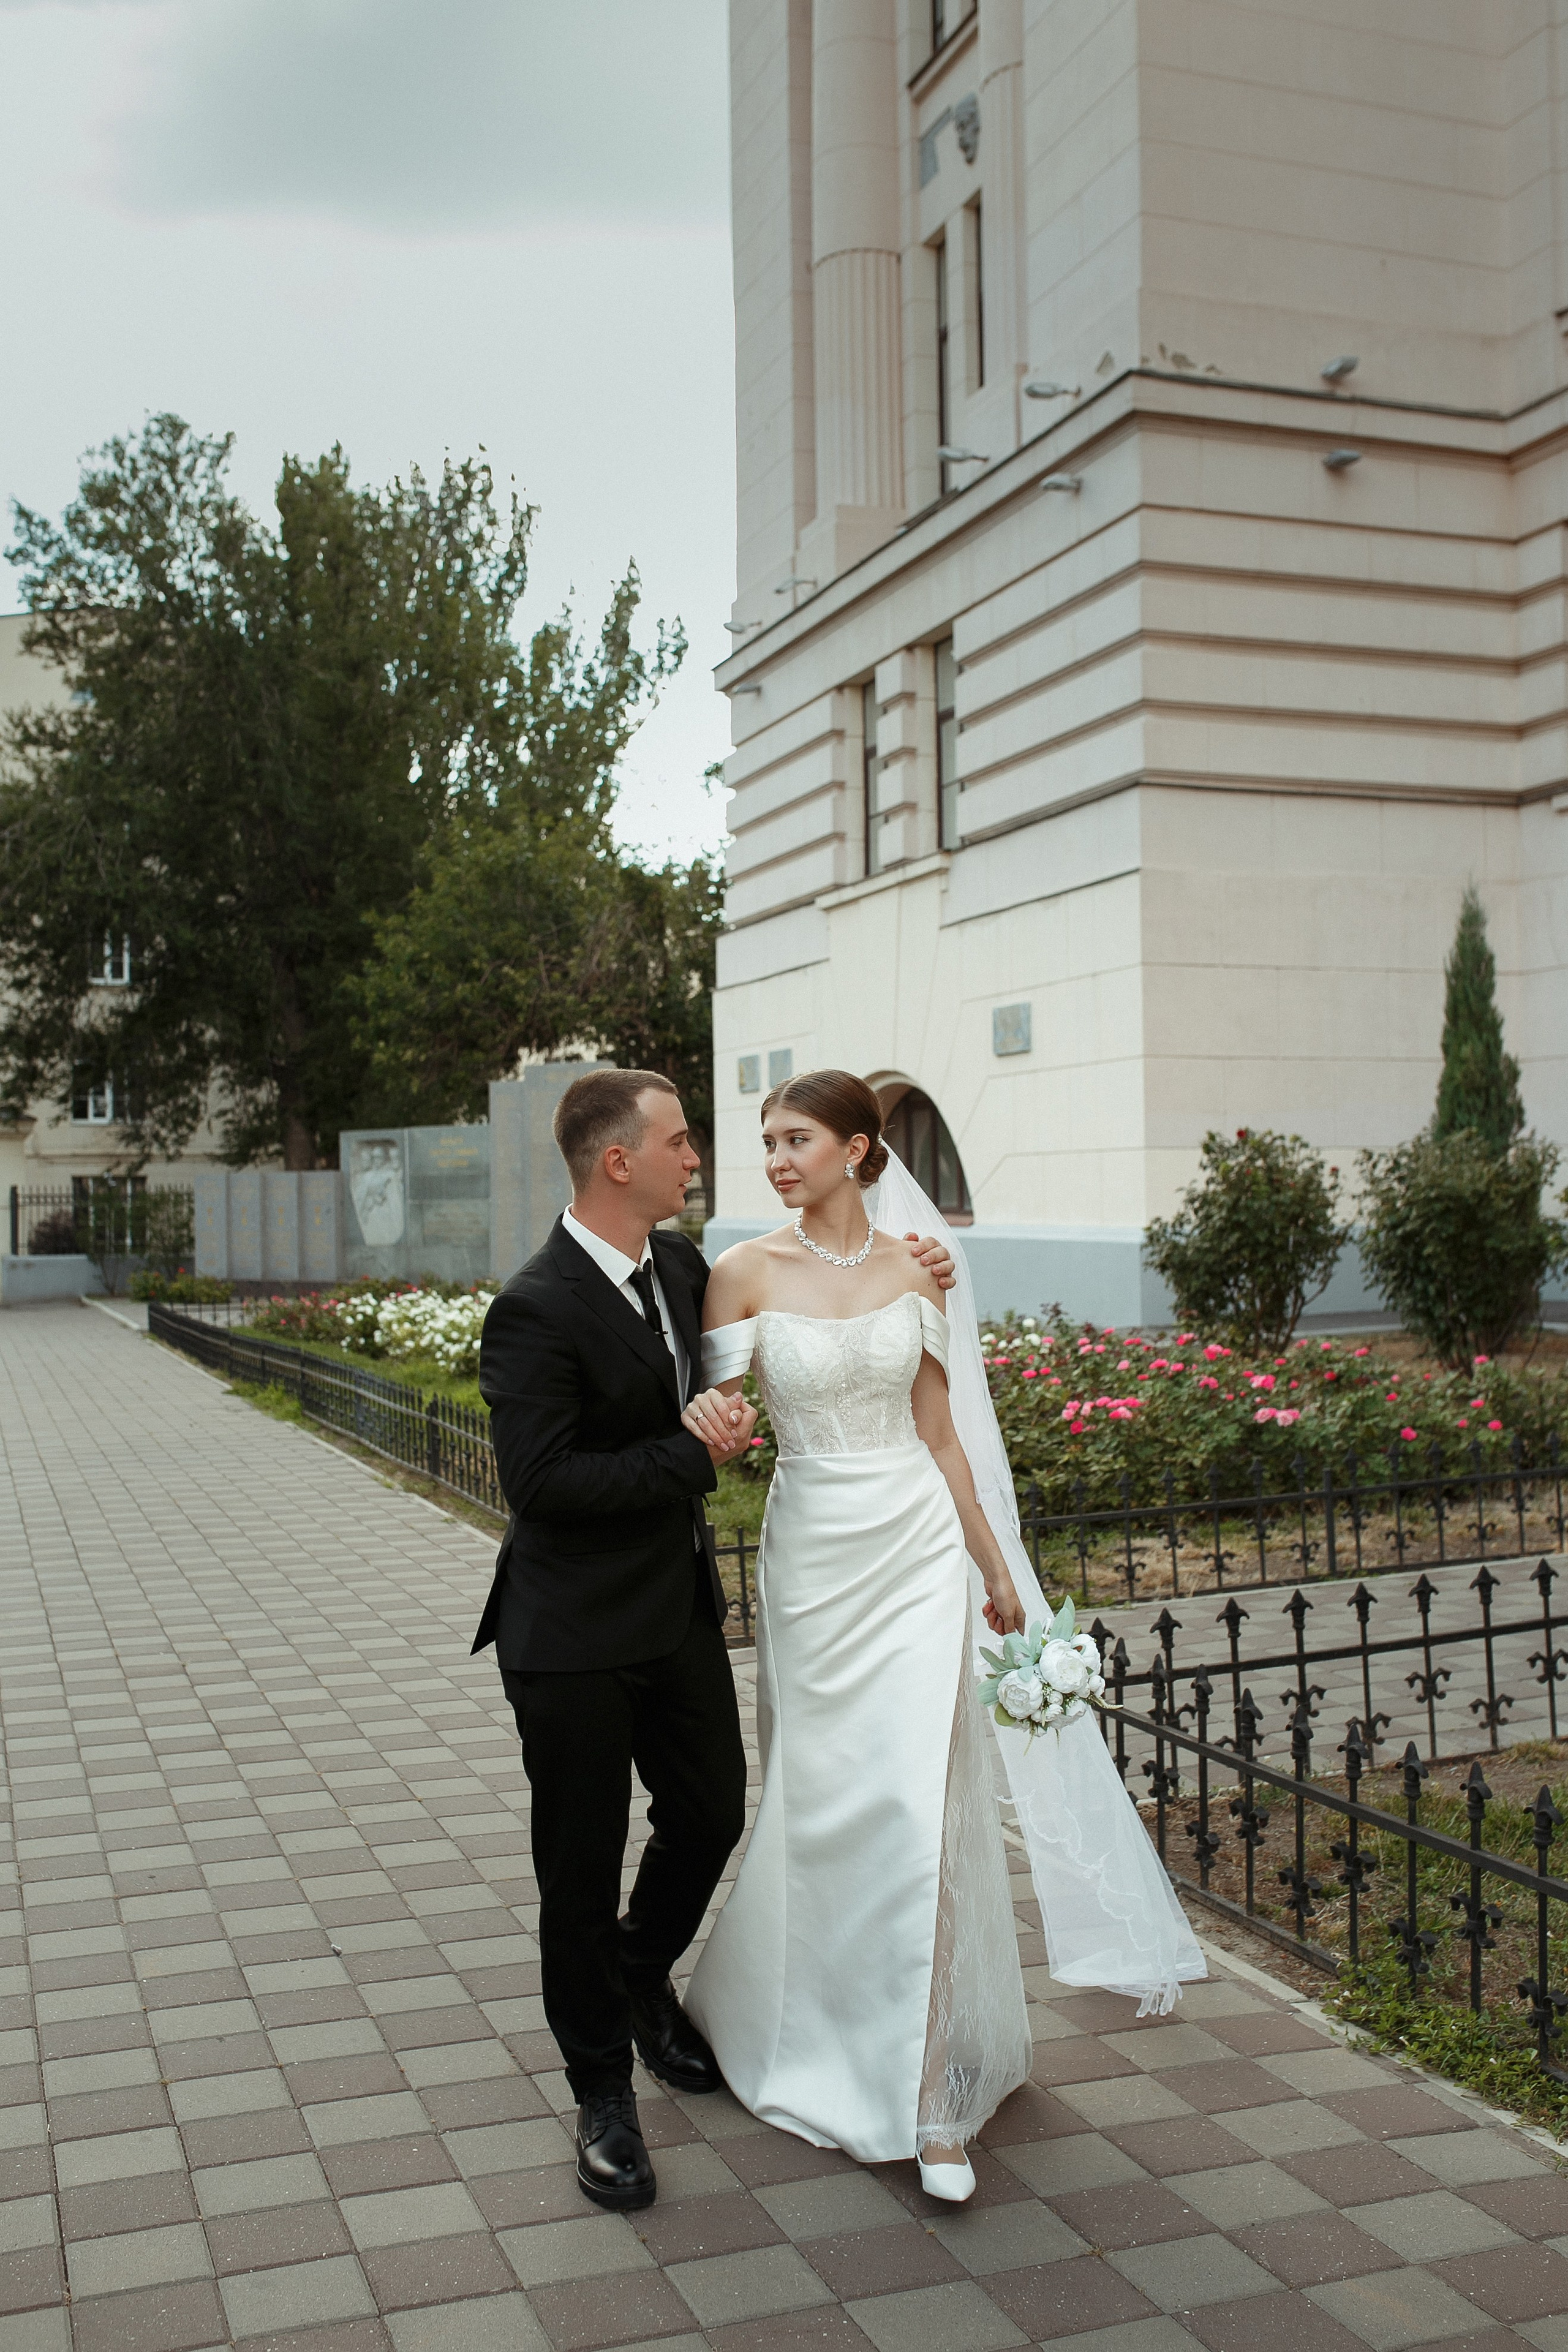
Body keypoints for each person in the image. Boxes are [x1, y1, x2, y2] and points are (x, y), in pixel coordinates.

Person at [680, 1069, 1205, 2200]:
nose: (774, 1158)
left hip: (916, 1545)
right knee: (827, 1802)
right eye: (765, 1141)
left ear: (861, 1149)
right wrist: (708, 1423)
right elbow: (717, 1420)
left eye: (797, 1138)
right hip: (814, 1552)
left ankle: (931, 2101)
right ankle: (796, 2017)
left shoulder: (918, 1267)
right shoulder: (740, 1272)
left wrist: (992, 1562)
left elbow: (943, 1433)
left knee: (925, 1797)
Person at [473, 1067, 960, 2212]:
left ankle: (644, 1981)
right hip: (573, 1633)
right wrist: (691, 1461)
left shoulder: (685, 1270)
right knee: (577, 1872)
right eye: (681, 1143)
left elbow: (811, 1292)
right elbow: (541, 1486)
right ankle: (600, 2095)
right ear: (618, 1163)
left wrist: (917, 1267)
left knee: (710, 1815)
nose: (700, 1161)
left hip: (678, 1613)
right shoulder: (534, 1305)